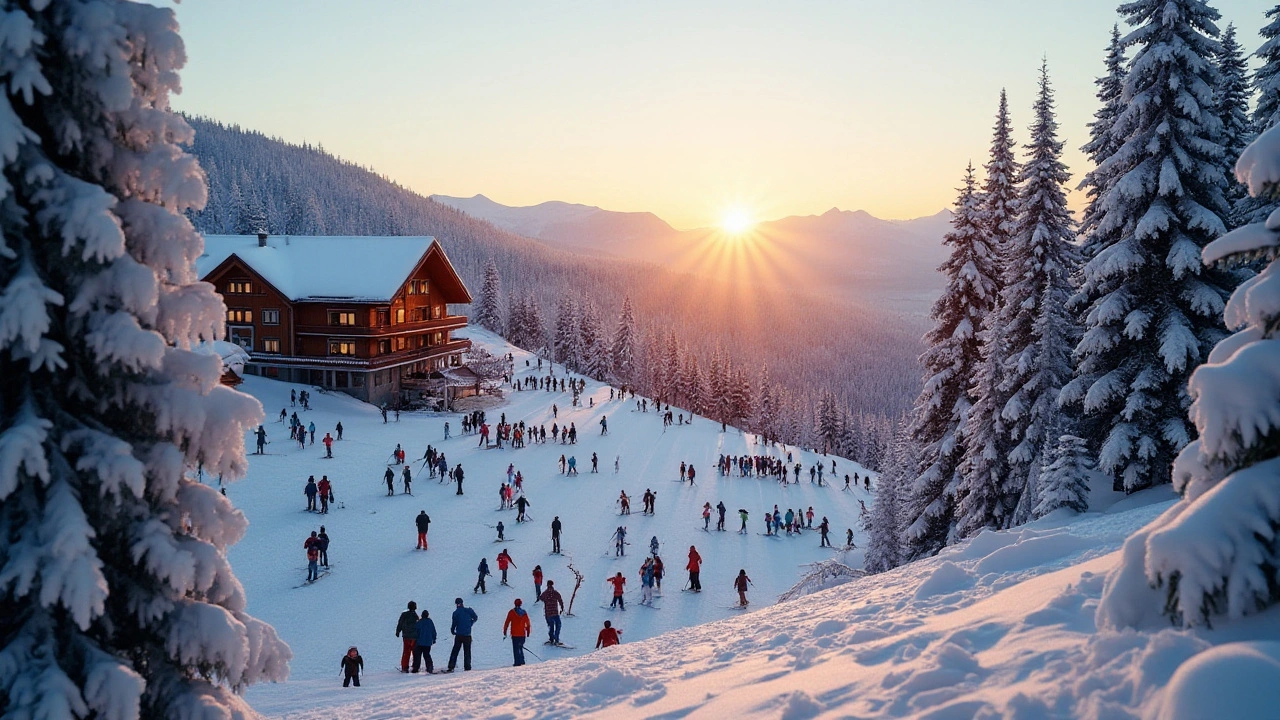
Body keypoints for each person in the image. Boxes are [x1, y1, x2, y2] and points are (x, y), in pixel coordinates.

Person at [447, 598, 478, 672]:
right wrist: (470, 623)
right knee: (467, 651)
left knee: (455, 650)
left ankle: (451, 666)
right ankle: (467, 667)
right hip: (467, 634)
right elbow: (475, 617)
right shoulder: (469, 610)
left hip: (459, 635)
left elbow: (454, 623)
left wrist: (452, 630)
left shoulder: (456, 613)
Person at [503, 599, 532, 666]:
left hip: (515, 634)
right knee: (520, 647)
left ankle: (517, 662)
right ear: (521, 604)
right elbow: (528, 623)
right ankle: (522, 660)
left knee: (516, 648)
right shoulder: (524, 612)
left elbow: (507, 622)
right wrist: (528, 631)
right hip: (522, 633)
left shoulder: (511, 612)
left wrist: (505, 631)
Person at [395, 601, 419, 673]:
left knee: (406, 652)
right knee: (415, 652)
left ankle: (405, 667)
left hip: (406, 636)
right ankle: (415, 666)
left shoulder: (404, 615)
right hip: (414, 637)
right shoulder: (416, 616)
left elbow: (400, 623)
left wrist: (398, 631)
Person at [539, 580, 565, 645]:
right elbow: (560, 600)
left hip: (548, 613)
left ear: (547, 585)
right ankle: (556, 639)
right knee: (558, 625)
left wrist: (547, 600)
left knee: (551, 626)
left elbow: (541, 598)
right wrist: (562, 608)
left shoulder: (545, 593)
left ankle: (551, 639)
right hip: (555, 612)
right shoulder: (555, 593)